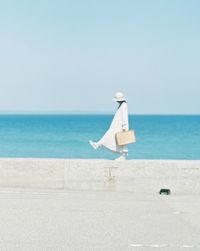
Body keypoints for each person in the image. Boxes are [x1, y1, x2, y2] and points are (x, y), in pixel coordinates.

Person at [89, 91, 129, 160]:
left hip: (121, 126)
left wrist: (124, 126)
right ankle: (98, 144)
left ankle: (123, 156)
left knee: (122, 142)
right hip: (117, 126)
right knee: (110, 135)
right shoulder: (122, 105)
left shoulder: (124, 105)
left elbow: (124, 116)